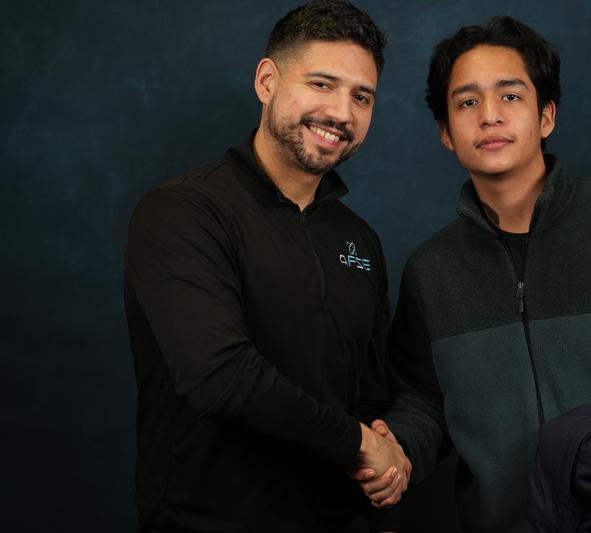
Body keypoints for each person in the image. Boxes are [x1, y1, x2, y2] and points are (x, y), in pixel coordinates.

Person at [353, 16, 591, 533]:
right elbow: (425, 402)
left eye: (510, 96)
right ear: (446, 133)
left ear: (546, 116)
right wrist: (399, 450)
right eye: (467, 102)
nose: (489, 116)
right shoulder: (431, 271)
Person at [124, 1, 409, 531]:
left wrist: (384, 486)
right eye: (322, 84)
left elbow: (369, 397)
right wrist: (358, 442)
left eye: (361, 96)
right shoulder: (182, 212)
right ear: (266, 81)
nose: (342, 113)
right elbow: (219, 378)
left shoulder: (360, 241)